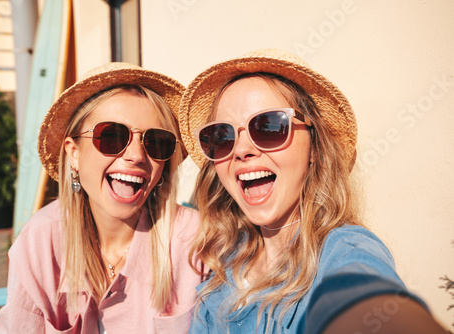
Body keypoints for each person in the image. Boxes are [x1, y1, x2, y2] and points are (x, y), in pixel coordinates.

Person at [179, 49, 447, 333]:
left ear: (314, 149)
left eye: (269, 127)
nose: (242, 150)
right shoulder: (219, 269)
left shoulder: (344, 249)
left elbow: (367, 301)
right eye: (222, 136)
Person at [0, 62, 204, 333]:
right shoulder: (41, 240)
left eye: (156, 142)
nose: (136, 156)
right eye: (112, 136)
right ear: (73, 153)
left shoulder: (194, 243)